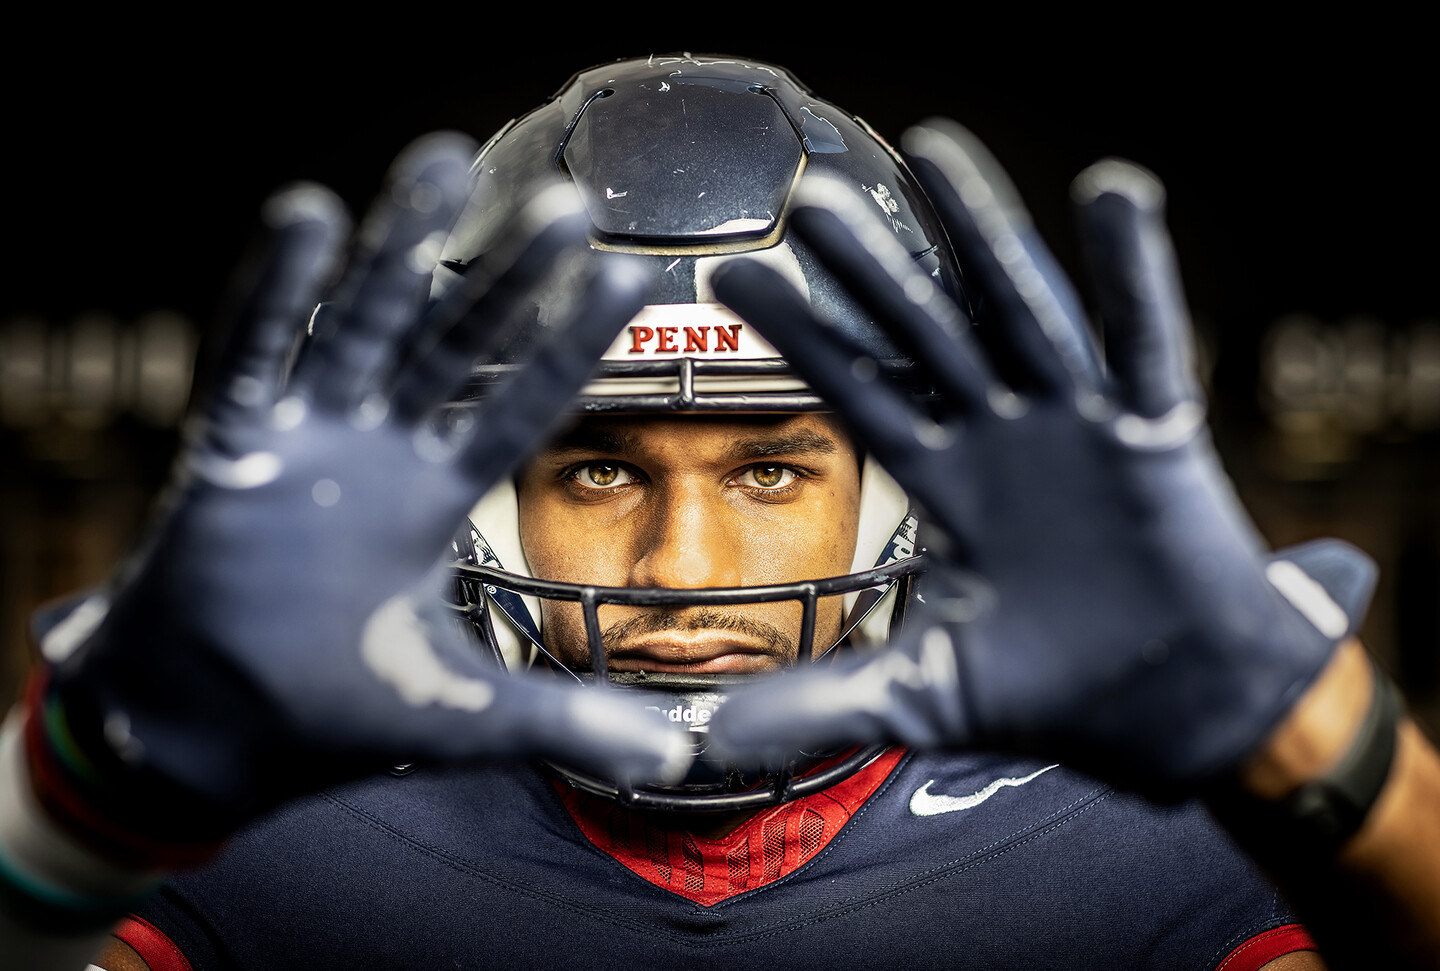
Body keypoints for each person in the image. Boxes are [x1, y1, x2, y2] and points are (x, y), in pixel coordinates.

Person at [1, 54, 1437, 970]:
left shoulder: (1141, 839)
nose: (682, 574)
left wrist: (1315, 753)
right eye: (598, 469)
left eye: (770, 470)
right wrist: (71, 806)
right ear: (480, 494)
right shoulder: (271, 836)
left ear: (898, 486)